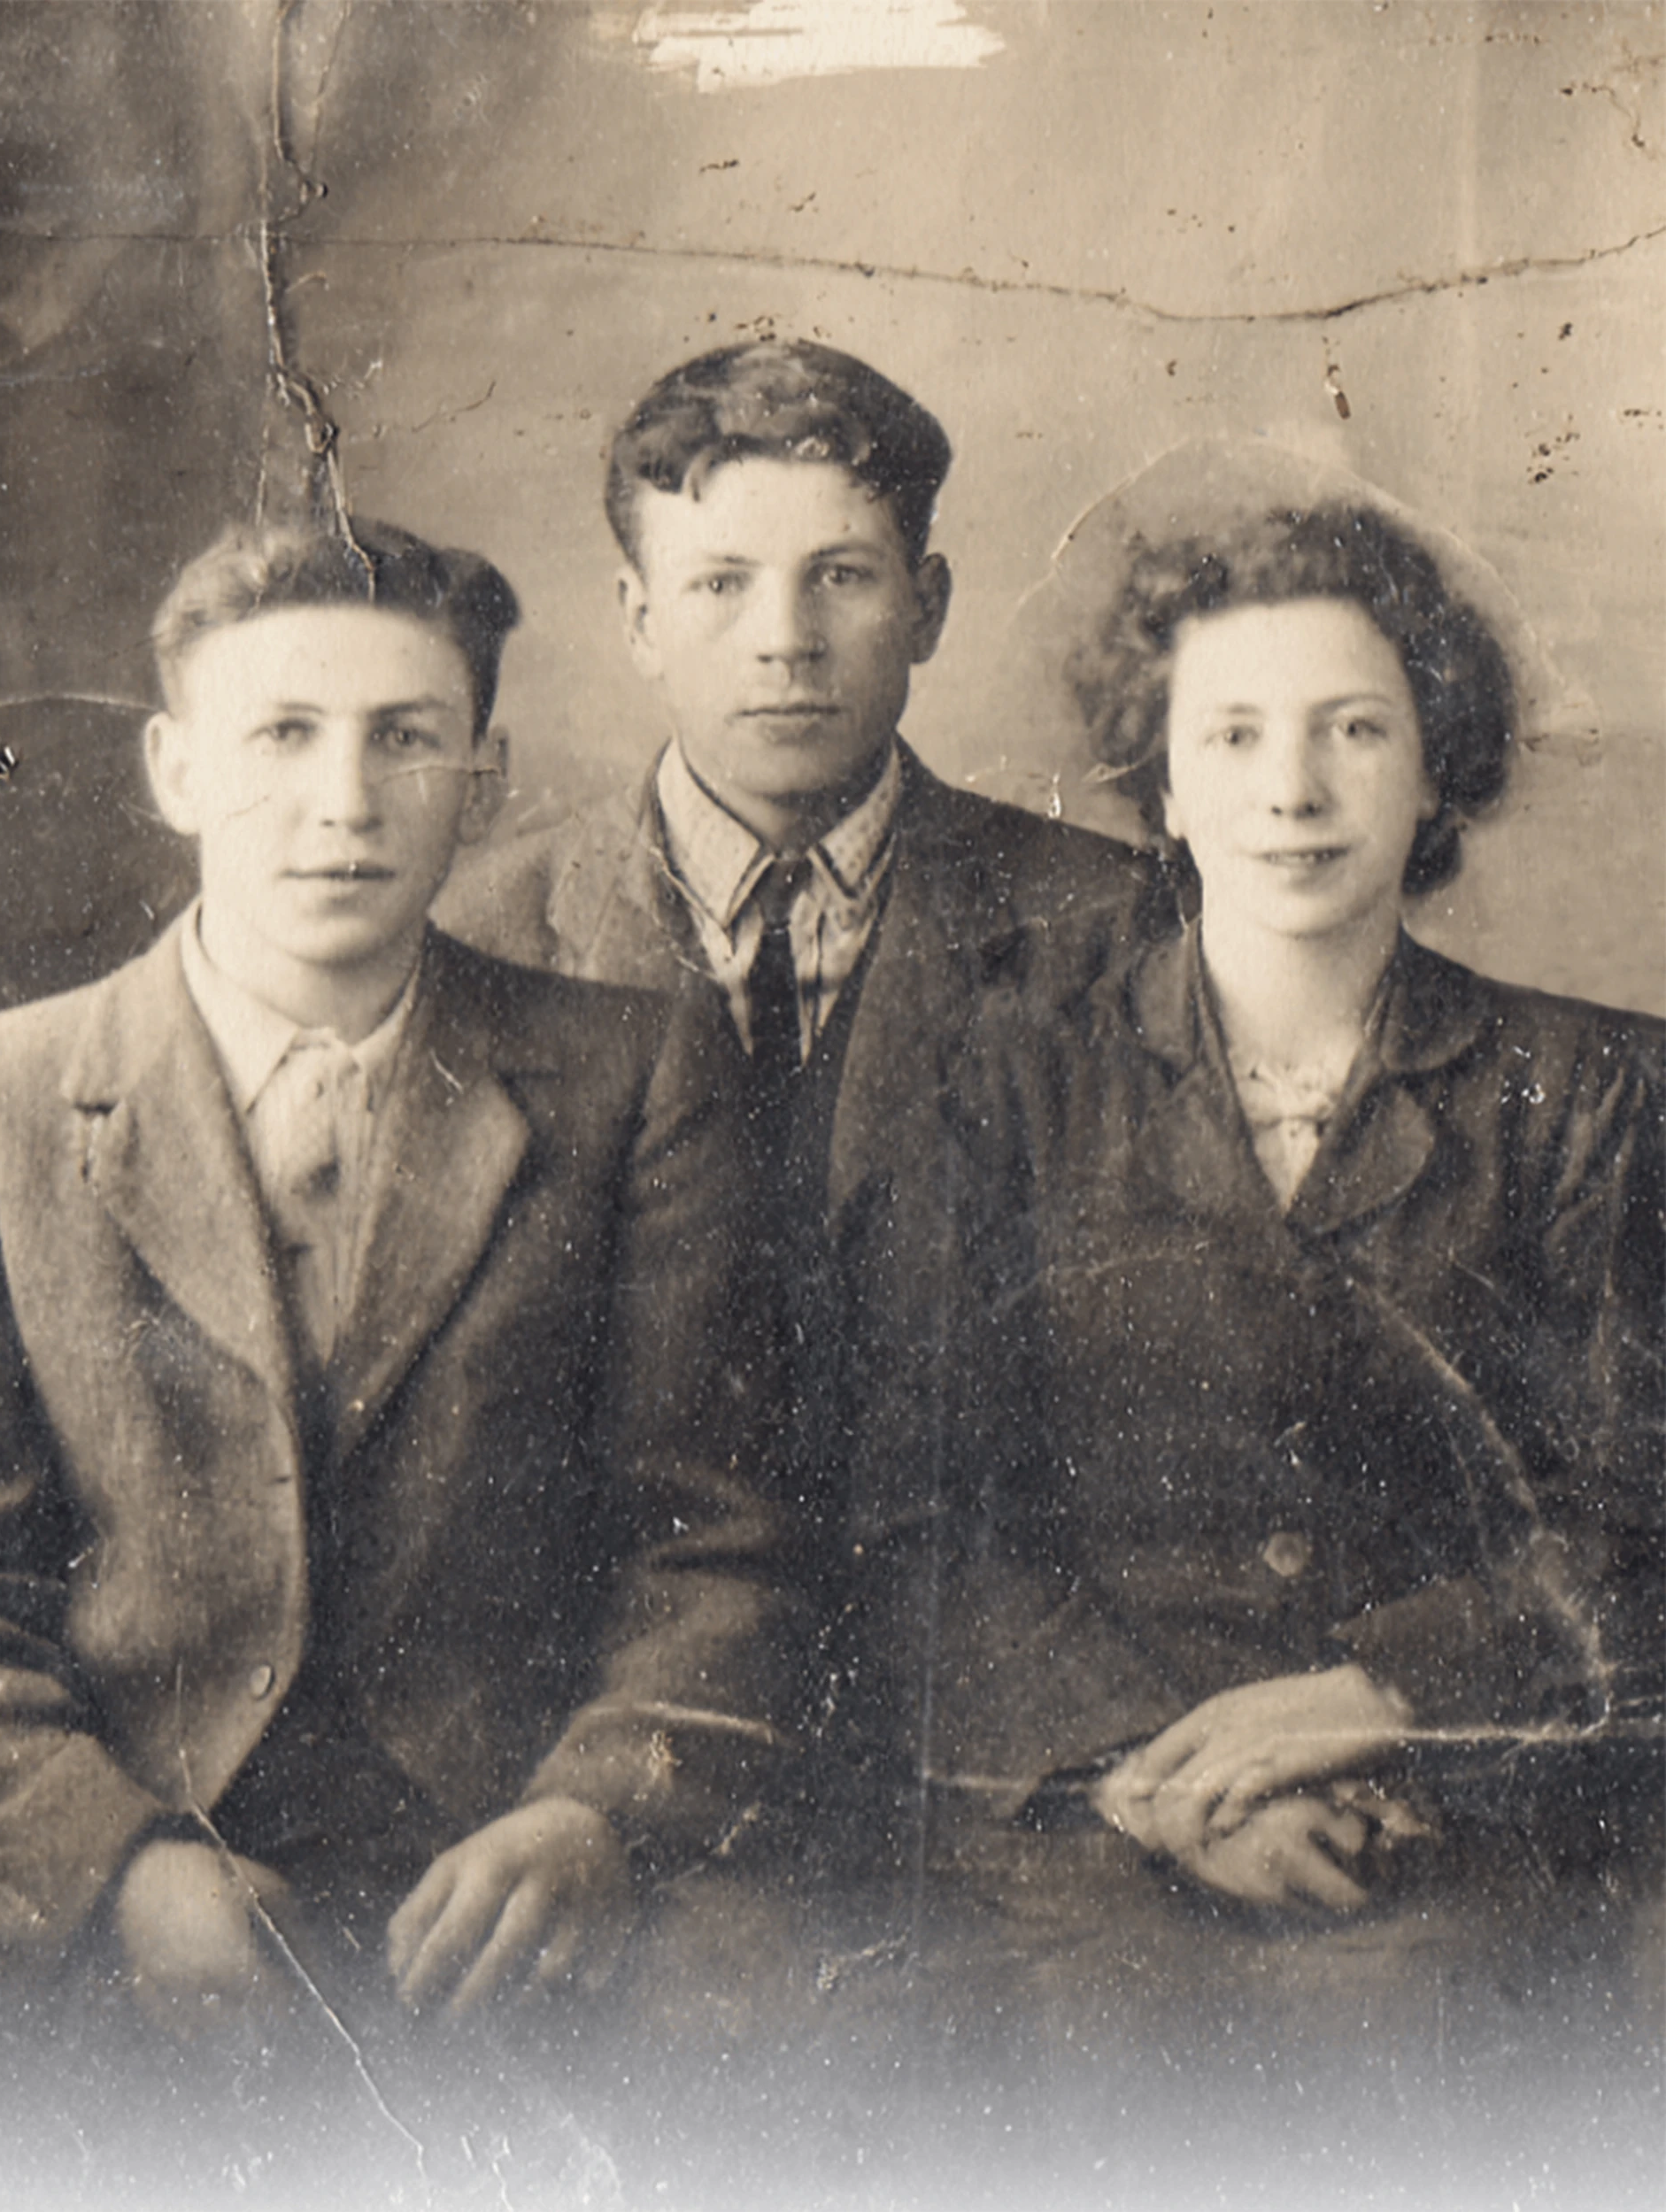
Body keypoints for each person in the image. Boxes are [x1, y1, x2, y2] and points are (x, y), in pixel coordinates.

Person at [0, 517, 801, 2046]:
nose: (343, 803)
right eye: (284, 736)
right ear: (177, 771)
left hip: (500, 1864)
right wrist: (116, 1866)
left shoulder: (632, 1075)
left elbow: (714, 1540)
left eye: (406, 740)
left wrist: (589, 1812)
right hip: (114, 1868)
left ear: (485, 778)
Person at [924, 501, 1662, 2057]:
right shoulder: (1008, 1084)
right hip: (1095, 1827)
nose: (1295, 789)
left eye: (1355, 729)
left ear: (1436, 766)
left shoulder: (1595, 1090)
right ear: (1166, 780)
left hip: (1468, 1808)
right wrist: (1143, 1773)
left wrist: (1385, 1695)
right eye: (1237, 733)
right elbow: (925, 1512)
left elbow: (1640, 1531)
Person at [452, 341, 1164, 1866]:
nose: (784, 641)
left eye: (841, 575)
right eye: (719, 585)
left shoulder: (1110, 927)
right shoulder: (484, 931)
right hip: (598, 1740)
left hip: (1000, 1739)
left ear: (932, 603)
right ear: (637, 619)